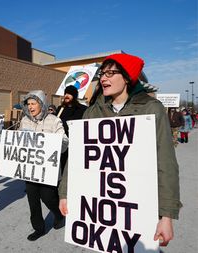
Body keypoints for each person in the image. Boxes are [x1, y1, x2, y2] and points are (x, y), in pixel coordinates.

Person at [58, 53, 182, 247]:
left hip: (138, 206)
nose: (103, 78)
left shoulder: (151, 109)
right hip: (102, 206)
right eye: (102, 73)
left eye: (110, 73)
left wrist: (167, 215)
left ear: (126, 77)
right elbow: (76, 158)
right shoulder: (92, 113)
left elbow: (165, 163)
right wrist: (65, 193)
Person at [20, 90, 69, 241]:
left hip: (48, 169)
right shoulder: (24, 121)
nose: (30, 107)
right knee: (32, 200)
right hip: (30, 169)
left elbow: (65, 142)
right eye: (28, 104)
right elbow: (20, 141)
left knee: (48, 197)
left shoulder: (54, 120)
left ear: (41, 104)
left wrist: (54, 143)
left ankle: (59, 215)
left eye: (33, 103)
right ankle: (39, 228)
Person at [56, 85, 87, 175]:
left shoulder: (82, 109)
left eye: (69, 94)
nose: (66, 95)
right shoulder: (60, 109)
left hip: (76, 147)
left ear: (74, 96)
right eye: (65, 93)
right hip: (62, 146)